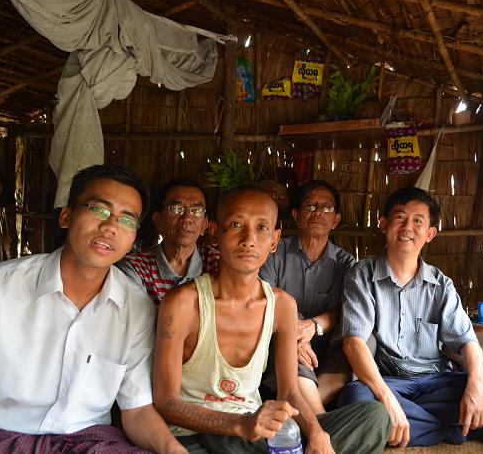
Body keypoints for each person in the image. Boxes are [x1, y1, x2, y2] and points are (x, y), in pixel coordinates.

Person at [0, 164, 185, 454]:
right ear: (67, 216)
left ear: (133, 240)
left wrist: (173, 450)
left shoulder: (137, 308)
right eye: (99, 210)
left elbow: (137, 411)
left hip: (87, 443)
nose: (110, 227)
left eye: (127, 221)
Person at [153, 186, 391, 454]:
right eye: (235, 224)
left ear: (275, 240)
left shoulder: (282, 305)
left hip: (255, 436)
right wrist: (239, 424)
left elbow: (289, 393)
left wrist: (316, 433)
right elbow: (166, 401)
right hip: (199, 436)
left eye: (262, 228)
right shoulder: (184, 303)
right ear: (214, 235)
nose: (249, 239)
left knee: (373, 417)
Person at [335, 187, 483, 448]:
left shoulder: (441, 285)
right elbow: (353, 343)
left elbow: (467, 342)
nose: (408, 227)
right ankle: (457, 431)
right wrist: (387, 398)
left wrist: (475, 383)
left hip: (436, 381)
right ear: (383, 224)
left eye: (418, 220)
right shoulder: (361, 276)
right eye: (399, 218)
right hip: (388, 381)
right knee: (355, 397)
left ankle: (401, 426)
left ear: (430, 234)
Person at [260, 180, 354, 413]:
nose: (319, 211)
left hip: (326, 345)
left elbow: (343, 309)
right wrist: (293, 334)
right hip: (282, 339)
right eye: (311, 206)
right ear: (296, 215)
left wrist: (313, 327)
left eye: (327, 207)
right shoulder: (273, 252)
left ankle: (304, 412)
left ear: (336, 220)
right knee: (288, 350)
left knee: (357, 345)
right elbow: (266, 297)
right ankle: (321, 422)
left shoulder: (345, 264)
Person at [119, 178, 220, 305]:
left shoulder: (218, 264)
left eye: (196, 211)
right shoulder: (136, 267)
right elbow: (134, 319)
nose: (187, 218)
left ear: (204, 225)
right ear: (158, 220)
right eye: (176, 209)